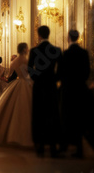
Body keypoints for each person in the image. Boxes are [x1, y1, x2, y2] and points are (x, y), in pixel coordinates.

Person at [0, 43, 33, 147]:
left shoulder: (14, 62)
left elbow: (9, 75)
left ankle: (10, 133)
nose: (28, 50)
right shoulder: (26, 60)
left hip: (16, 83)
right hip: (26, 83)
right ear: (24, 50)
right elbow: (29, 74)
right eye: (27, 48)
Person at [57, 30, 94, 158]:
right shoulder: (84, 53)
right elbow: (87, 71)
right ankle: (79, 149)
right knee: (79, 118)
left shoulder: (66, 53)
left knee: (66, 118)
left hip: (67, 90)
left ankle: (64, 146)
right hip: (80, 89)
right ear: (78, 38)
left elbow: (61, 72)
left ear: (68, 38)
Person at [28, 26, 62, 157]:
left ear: (39, 35)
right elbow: (61, 69)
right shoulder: (56, 50)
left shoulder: (35, 50)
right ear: (49, 34)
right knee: (52, 114)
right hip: (52, 86)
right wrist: (54, 79)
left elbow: (30, 69)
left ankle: (40, 145)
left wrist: (37, 78)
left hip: (38, 87)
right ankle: (53, 146)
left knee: (39, 114)